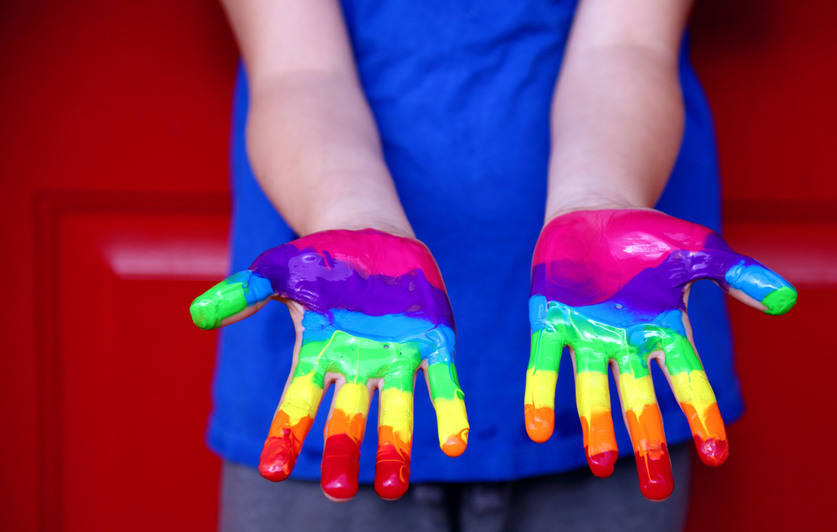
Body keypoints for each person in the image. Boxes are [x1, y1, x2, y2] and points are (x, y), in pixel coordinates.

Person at [190, 1, 796, 531]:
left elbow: (628, 45)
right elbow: (298, 72)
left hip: (614, 351)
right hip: (335, 365)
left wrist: (595, 208)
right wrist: (353, 222)